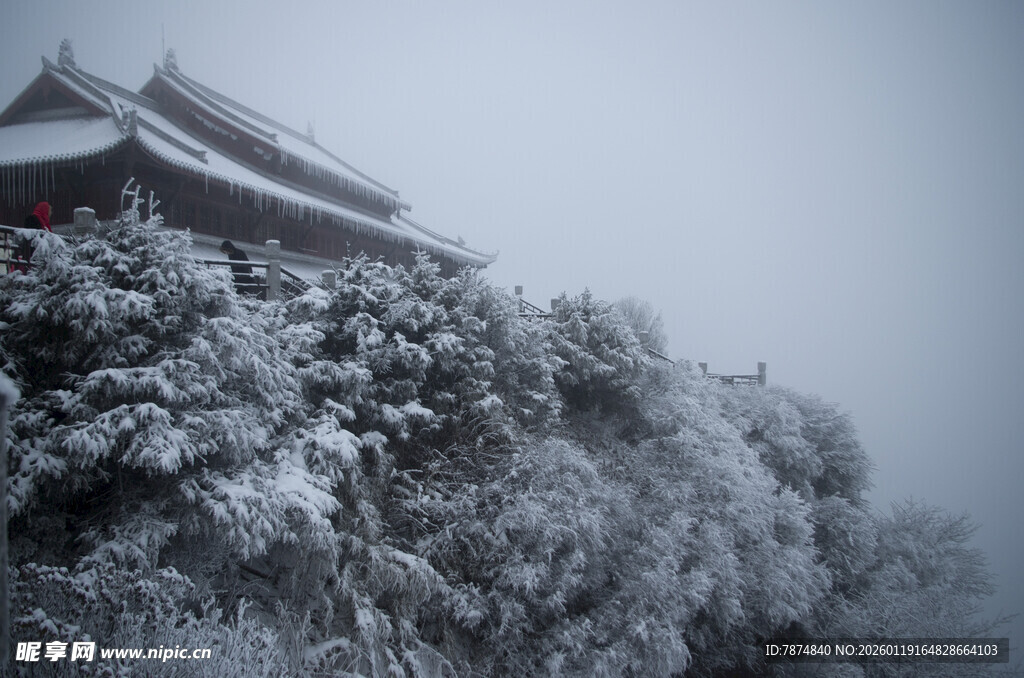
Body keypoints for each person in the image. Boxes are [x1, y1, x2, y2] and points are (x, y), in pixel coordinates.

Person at [12, 202, 52, 272]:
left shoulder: (45, 223)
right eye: (50, 210)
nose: (51, 213)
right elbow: (30, 237)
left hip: (37, 253)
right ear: (45, 210)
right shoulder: (32, 219)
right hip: (32, 253)